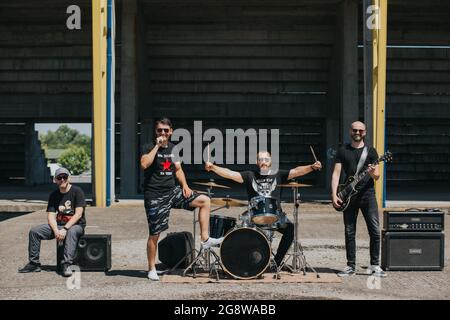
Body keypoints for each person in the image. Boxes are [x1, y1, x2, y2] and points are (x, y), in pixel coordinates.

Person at [205, 151, 321, 270]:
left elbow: (297, 171)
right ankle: (246, 262)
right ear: (257, 162)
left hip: (276, 216)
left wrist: (311, 167)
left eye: (266, 159)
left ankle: (276, 262)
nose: (264, 162)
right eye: (261, 159)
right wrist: (213, 167)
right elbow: (230, 174)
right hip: (254, 218)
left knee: (291, 229)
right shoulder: (250, 175)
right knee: (243, 233)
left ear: (271, 161)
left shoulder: (278, 174)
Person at [140, 117, 223, 281]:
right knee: (154, 234)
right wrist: (157, 145)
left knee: (204, 200)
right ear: (155, 132)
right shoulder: (148, 147)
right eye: (159, 130)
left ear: (171, 131)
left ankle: (205, 239)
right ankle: (151, 269)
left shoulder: (174, 148)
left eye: (165, 130)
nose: (163, 133)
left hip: (173, 191)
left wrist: (185, 185)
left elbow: (178, 169)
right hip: (155, 195)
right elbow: (144, 164)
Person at [331, 121, 386, 277]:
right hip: (348, 197)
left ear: (365, 133)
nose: (357, 132)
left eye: (360, 131)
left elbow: (377, 176)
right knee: (349, 232)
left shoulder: (371, 152)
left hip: (368, 196)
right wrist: (334, 194)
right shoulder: (343, 150)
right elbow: (336, 174)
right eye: (355, 130)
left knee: (374, 231)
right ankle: (350, 266)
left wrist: (371, 172)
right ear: (350, 131)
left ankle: (375, 265)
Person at [18, 167, 86, 277]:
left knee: (71, 232)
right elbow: (50, 216)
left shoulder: (77, 191)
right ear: (55, 180)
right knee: (35, 231)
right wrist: (56, 230)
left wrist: (65, 229)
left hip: (76, 226)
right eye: (59, 177)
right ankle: (34, 263)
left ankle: (67, 264)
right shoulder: (54, 195)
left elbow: (78, 214)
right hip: (58, 226)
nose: (62, 179)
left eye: (64, 177)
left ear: (69, 178)